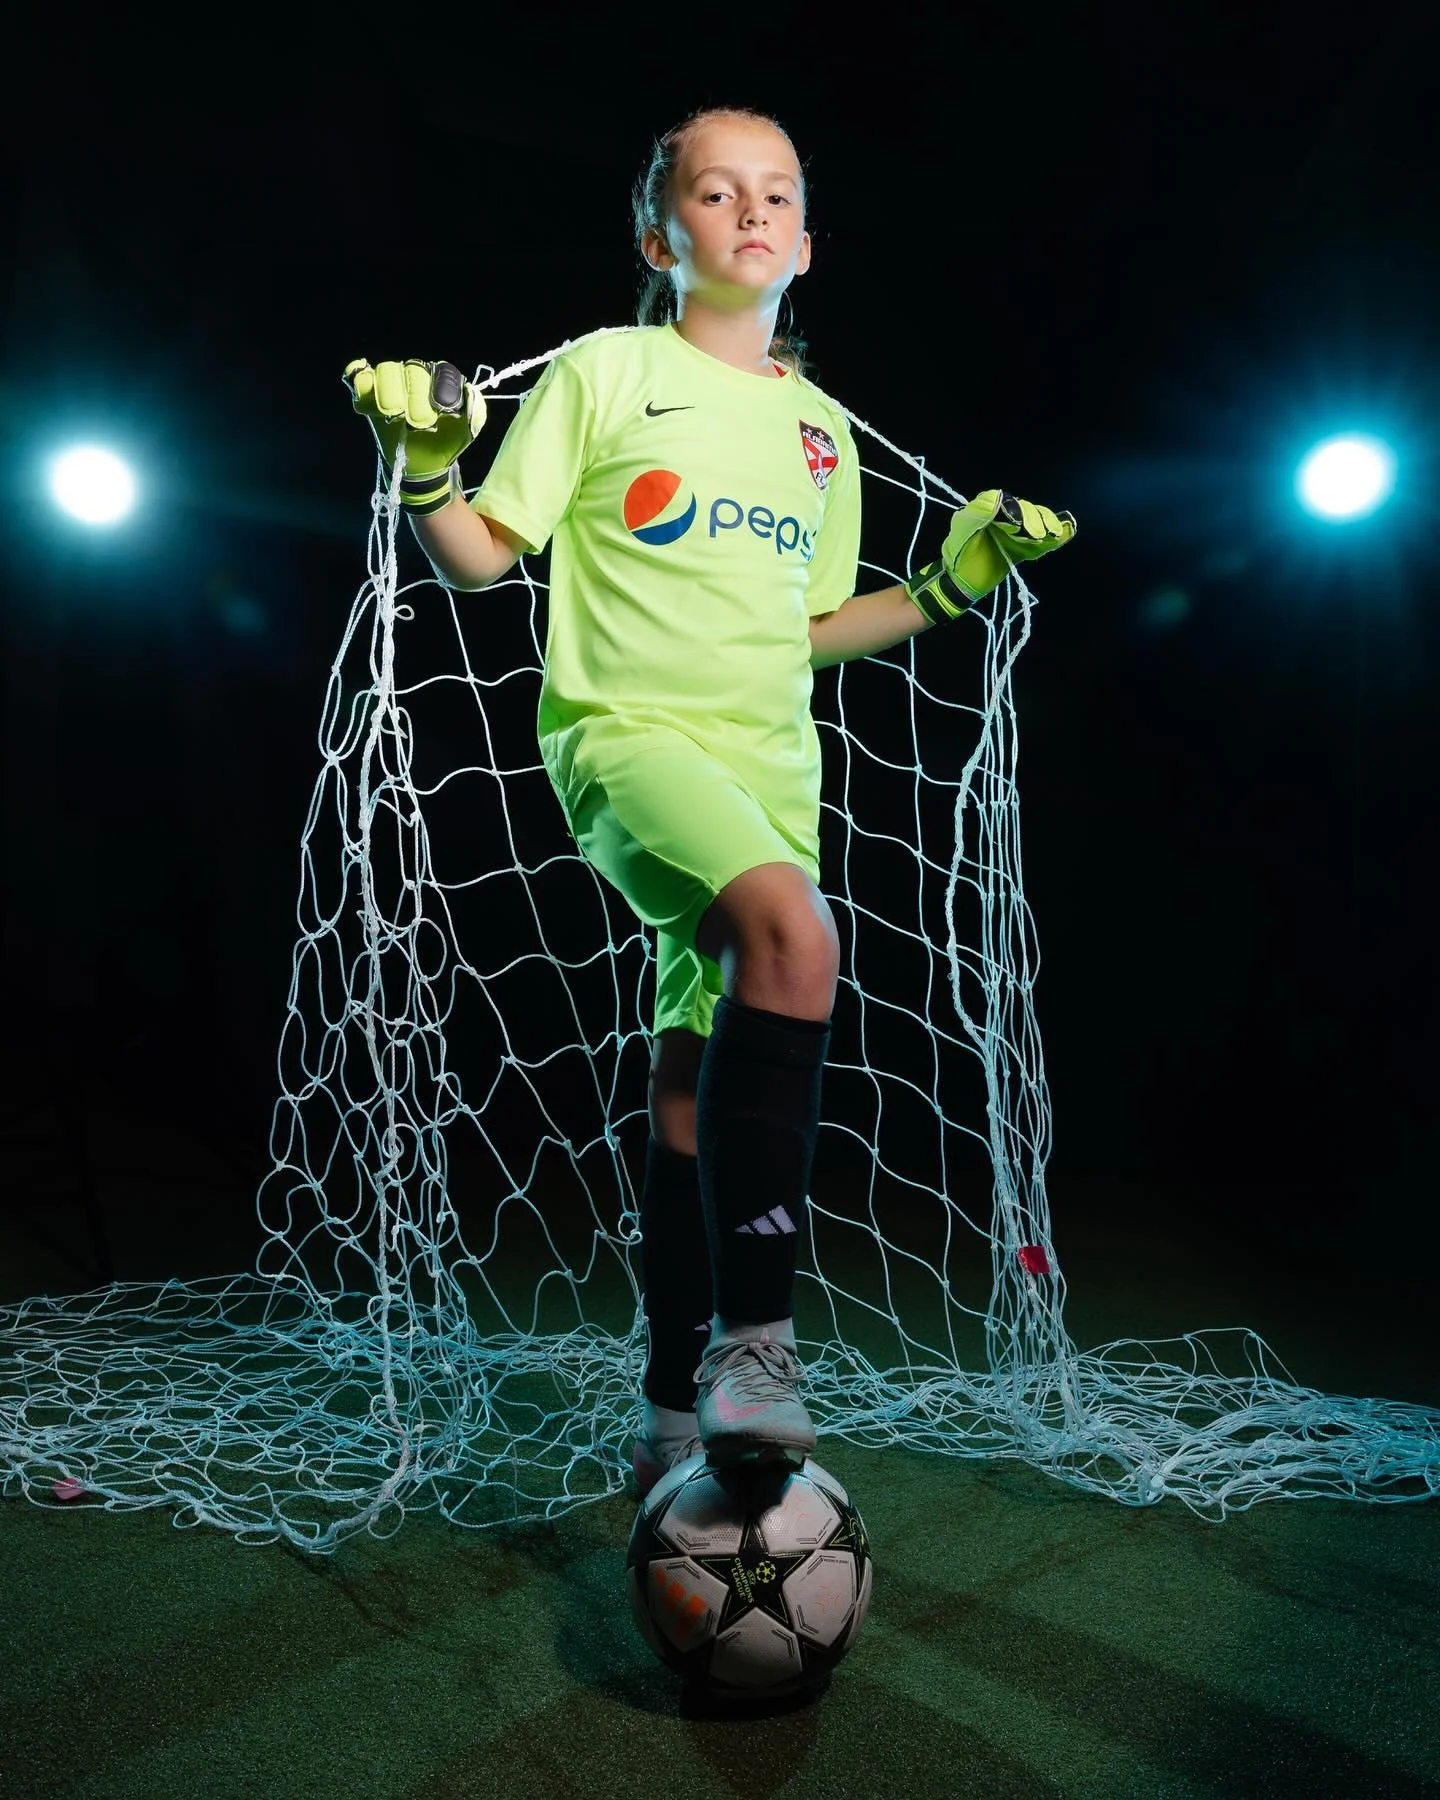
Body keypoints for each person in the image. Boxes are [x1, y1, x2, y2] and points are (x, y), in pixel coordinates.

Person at [343, 106, 1075, 1497]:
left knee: (693, 1093)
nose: (748, 209)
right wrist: (422, 464)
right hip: (629, 742)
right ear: (657, 235)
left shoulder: (819, 434)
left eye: (776, 194)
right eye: (715, 190)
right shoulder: (610, 372)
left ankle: (672, 1410)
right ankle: (758, 1345)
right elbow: (485, 558)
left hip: (771, 772)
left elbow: (808, 626)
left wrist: (944, 591)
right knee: (796, 942)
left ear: (806, 243)